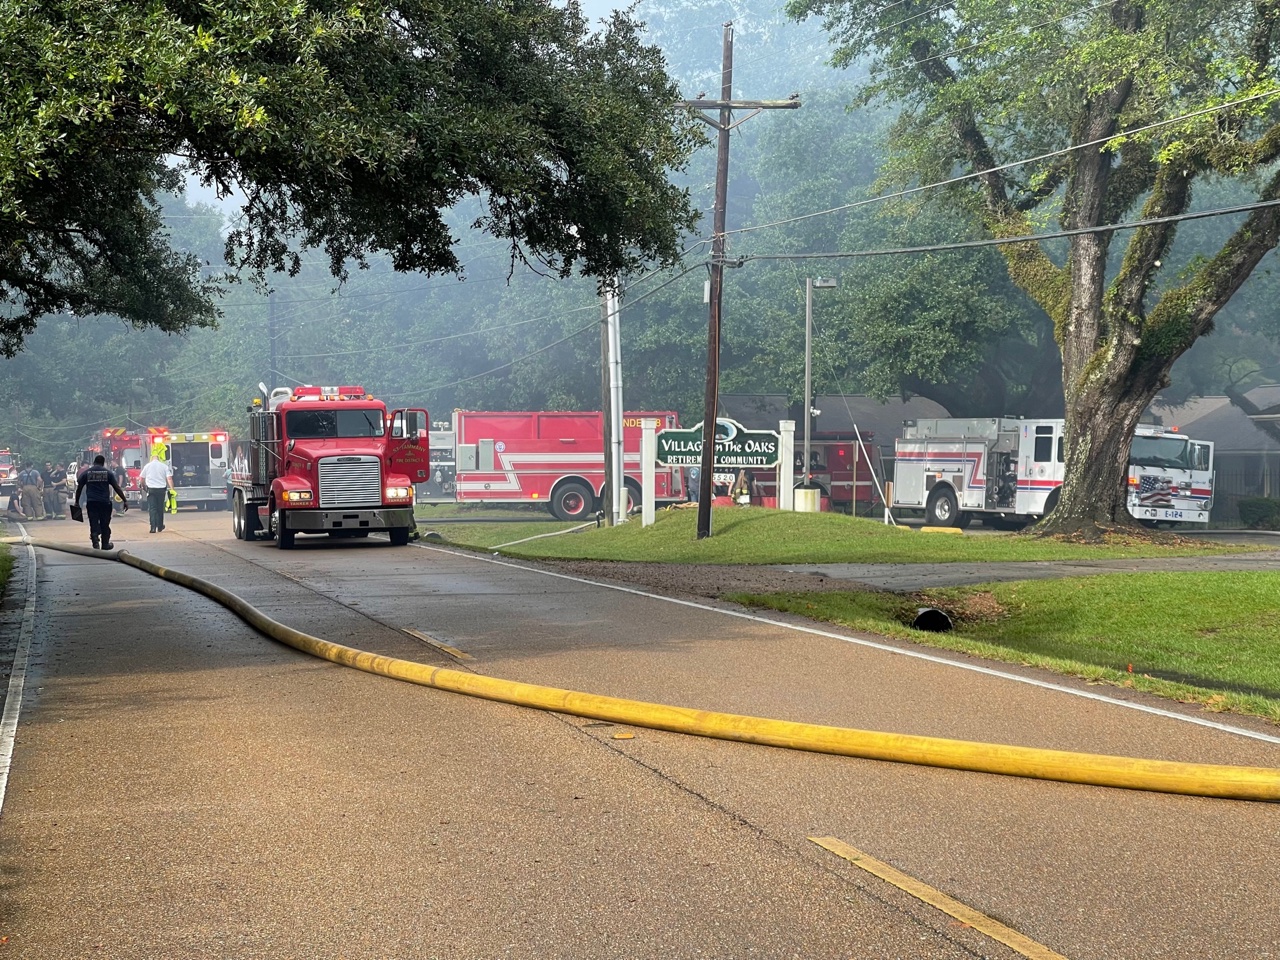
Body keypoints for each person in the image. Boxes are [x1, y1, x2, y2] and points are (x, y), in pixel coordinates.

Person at [74, 454, 128, 550]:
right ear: (103, 463)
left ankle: (95, 538)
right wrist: (125, 500)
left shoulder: (87, 473)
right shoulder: (108, 473)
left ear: (94, 462)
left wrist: (77, 502)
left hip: (92, 502)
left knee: (93, 521)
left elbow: (79, 488)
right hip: (104, 502)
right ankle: (105, 544)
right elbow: (117, 487)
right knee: (105, 523)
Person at [139, 450, 174, 533]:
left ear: (151, 458)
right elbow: (169, 478)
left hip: (151, 489)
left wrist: (144, 487)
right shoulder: (164, 466)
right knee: (160, 508)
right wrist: (172, 489)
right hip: (161, 489)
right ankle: (160, 526)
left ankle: (153, 527)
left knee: (152, 508)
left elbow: (142, 479)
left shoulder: (147, 466)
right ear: (159, 459)